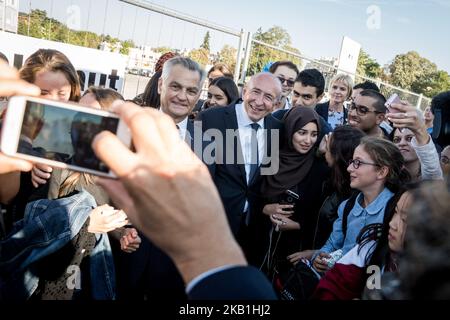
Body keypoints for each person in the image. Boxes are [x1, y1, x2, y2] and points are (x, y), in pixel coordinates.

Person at [0, 60, 277, 300]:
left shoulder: (208, 138)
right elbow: (81, 181)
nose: (182, 96)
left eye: (191, 90)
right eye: (175, 86)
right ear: (160, 85)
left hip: (176, 266)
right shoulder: (122, 128)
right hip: (122, 255)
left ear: (199, 95)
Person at [197, 72, 283, 240]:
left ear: (276, 104)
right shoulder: (210, 119)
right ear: (244, 92)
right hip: (211, 225)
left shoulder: (277, 129)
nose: (259, 101)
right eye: (255, 92)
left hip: (252, 229)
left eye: (268, 96)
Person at [312, 137, 410, 273]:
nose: (349, 168)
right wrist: (319, 258)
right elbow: (332, 245)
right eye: (352, 161)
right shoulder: (347, 207)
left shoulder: (395, 210)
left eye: (358, 163)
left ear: (382, 171)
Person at [254, 107, 329, 277]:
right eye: (302, 132)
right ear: (289, 130)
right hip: (256, 242)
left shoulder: (319, 168)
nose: (308, 140)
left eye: (314, 134)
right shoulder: (270, 156)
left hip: (289, 255)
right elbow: (250, 192)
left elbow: (322, 215)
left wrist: (297, 225)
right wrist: (264, 208)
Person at [313, 186, 415, 300]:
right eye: (395, 212)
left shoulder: (429, 274)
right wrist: (318, 257)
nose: (392, 223)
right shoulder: (371, 244)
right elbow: (335, 282)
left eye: (405, 219)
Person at [287, 125, 365, 265]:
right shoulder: (334, 179)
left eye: (328, 148)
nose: (324, 151)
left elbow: (346, 244)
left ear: (338, 155)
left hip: (324, 261)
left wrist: (314, 253)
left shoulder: (354, 194)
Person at [388, 100, 443, 181]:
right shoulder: (386, 176)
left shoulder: (428, 180)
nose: (402, 143)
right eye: (397, 140)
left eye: (409, 139)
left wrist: (419, 129)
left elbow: (432, 173)